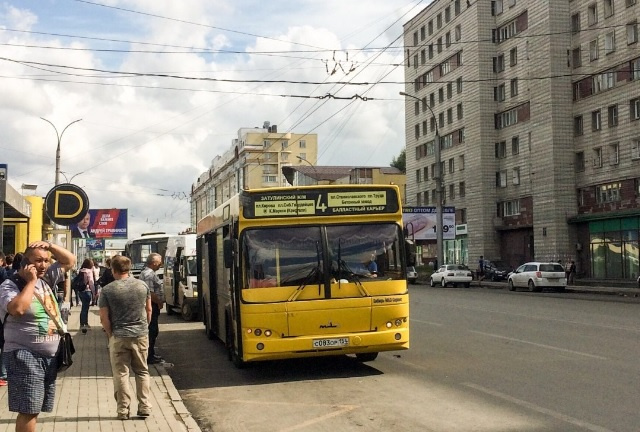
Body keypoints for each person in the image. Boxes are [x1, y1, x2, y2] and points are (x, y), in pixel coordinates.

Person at [0, 240, 75, 432]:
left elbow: (70, 260)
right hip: (24, 354)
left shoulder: (46, 279)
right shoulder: (10, 285)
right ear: (25, 262)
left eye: (46, 261)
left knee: (36, 408)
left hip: (49, 356)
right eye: (38, 261)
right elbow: (18, 308)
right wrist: (31, 281)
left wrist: (49, 246)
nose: (43, 265)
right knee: (28, 409)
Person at [98, 255, 152, 420]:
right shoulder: (142, 286)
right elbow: (149, 310)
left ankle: (123, 410)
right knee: (142, 371)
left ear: (113, 270)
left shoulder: (107, 290)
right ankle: (144, 407)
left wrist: (110, 334)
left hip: (119, 336)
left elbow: (103, 317)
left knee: (121, 373)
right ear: (128, 268)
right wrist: (145, 327)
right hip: (140, 334)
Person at [138, 253, 164, 364]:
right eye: (159, 262)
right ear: (153, 263)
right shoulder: (149, 274)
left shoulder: (150, 272)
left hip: (152, 304)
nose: (160, 264)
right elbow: (150, 292)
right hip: (151, 305)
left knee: (153, 330)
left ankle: (151, 354)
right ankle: (149, 356)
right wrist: (158, 301)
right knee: (152, 331)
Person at [78, 259, 95, 334]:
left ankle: (82, 323)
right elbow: (91, 283)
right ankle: (84, 324)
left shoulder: (81, 271)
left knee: (83, 308)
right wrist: (94, 293)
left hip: (80, 291)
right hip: (87, 291)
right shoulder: (89, 271)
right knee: (85, 308)